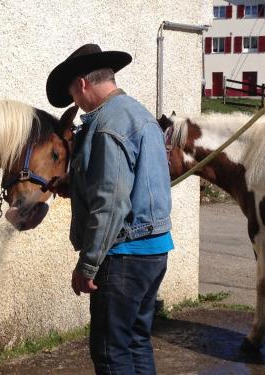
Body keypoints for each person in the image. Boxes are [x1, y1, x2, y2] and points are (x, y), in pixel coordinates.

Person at [46, 43, 174, 375]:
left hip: (124, 256)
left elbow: (112, 204)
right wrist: (73, 186)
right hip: (154, 251)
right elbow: (132, 182)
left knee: (109, 352)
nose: (75, 102)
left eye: (73, 93)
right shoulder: (139, 114)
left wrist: (87, 266)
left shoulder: (106, 125)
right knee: (135, 341)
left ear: (82, 84)